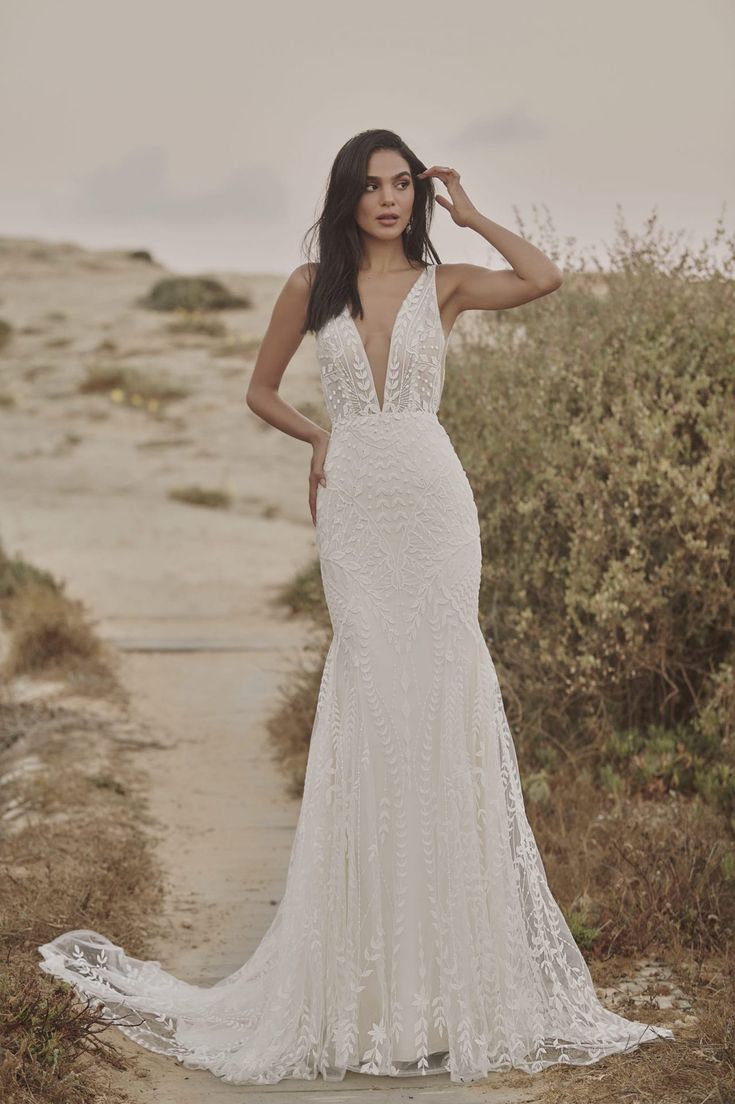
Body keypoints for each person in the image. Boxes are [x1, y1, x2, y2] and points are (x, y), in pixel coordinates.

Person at [38, 128, 674, 1085]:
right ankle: (370, 995)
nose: (387, 199)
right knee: (373, 718)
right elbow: (258, 389)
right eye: (372, 186)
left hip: (432, 503)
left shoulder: (445, 279)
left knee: (439, 720)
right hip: (357, 513)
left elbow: (542, 279)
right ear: (346, 196)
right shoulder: (310, 286)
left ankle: (446, 990)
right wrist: (317, 435)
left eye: (401, 184)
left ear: (416, 194)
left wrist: (468, 213)